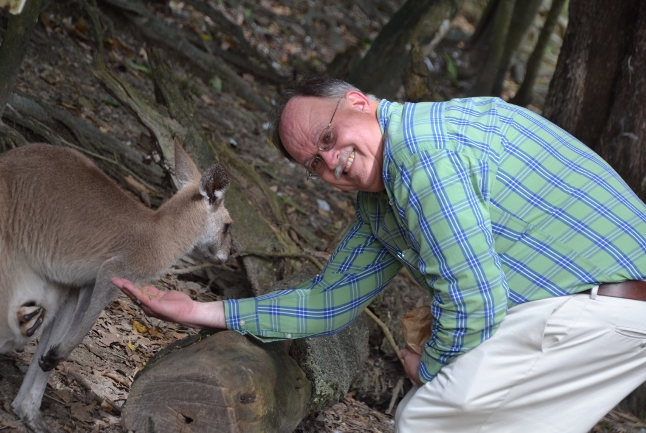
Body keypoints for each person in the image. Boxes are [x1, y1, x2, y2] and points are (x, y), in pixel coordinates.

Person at [112, 76, 646, 432]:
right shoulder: (384, 200)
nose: (331, 161)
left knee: (426, 418)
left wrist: (429, 366)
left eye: (328, 135)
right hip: (608, 317)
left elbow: (475, 299)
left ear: (360, 102)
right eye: (314, 163)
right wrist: (200, 311)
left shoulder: (420, 152)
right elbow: (326, 303)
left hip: (603, 311)